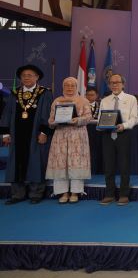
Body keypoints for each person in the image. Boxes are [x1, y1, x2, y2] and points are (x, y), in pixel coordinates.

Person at [0, 64, 53, 205]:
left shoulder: (44, 93)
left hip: (35, 134)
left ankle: (36, 193)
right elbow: (7, 114)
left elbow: (47, 114)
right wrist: (5, 134)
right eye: (23, 75)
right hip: (17, 135)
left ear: (37, 77)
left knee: (36, 162)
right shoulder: (14, 93)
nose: (26, 78)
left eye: (30, 75)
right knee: (15, 163)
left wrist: (44, 132)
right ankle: (18, 194)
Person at [46, 77, 92, 204]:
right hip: (60, 136)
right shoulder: (57, 101)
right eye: (67, 85)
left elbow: (88, 117)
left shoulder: (83, 100)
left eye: (72, 85)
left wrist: (77, 120)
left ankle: (75, 192)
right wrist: (55, 122)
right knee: (61, 162)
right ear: (63, 87)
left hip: (77, 135)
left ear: (76, 87)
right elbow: (50, 120)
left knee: (76, 162)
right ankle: (63, 192)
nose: (69, 88)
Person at [98, 73, 138, 206]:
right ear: (109, 85)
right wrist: (101, 126)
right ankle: (109, 194)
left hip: (124, 134)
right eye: (112, 83)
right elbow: (100, 118)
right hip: (107, 135)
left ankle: (124, 194)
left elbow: (134, 118)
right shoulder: (104, 100)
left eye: (117, 82)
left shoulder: (131, 99)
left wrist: (124, 126)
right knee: (108, 166)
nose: (114, 85)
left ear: (123, 84)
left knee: (124, 166)